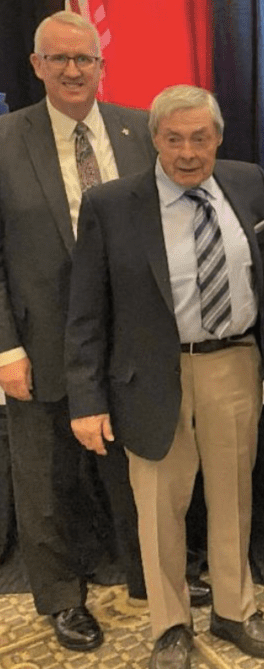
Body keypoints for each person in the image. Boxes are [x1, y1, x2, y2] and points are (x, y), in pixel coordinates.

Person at [65, 84, 264, 669]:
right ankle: (170, 625)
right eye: (174, 139)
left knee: (233, 497)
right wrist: (86, 398)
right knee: (161, 507)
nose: (188, 152)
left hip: (234, 363)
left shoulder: (247, 183)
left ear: (218, 137)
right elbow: (87, 310)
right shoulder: (112, 204)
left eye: (200, 138)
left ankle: (235, 609)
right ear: (155, 141)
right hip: (151, 375)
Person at [0, 10, 193, 652]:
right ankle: (60, 598)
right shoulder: (4, 140)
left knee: (138, 466)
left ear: (101, 66)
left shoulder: (143, 131)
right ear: (37, 66)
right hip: (41, 343)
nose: (74, 70)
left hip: (132, 342)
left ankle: (149, 576)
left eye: (85, 59)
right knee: (45, 478)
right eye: (59, 59)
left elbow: (202, 184)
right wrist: (5, 346)